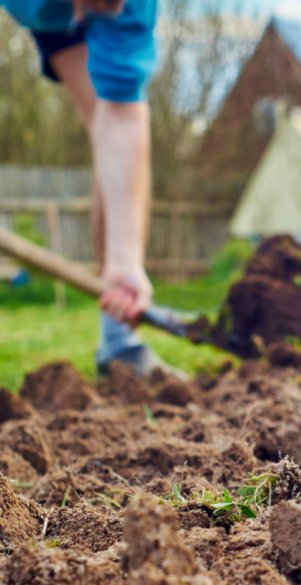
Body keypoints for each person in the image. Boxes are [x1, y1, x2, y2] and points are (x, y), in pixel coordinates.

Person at [1, 0, 173, 376]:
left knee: (106, 119)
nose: (83, 17)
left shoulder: (129, 7)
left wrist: (124, 262)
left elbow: (121, 112)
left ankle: (119, 343)